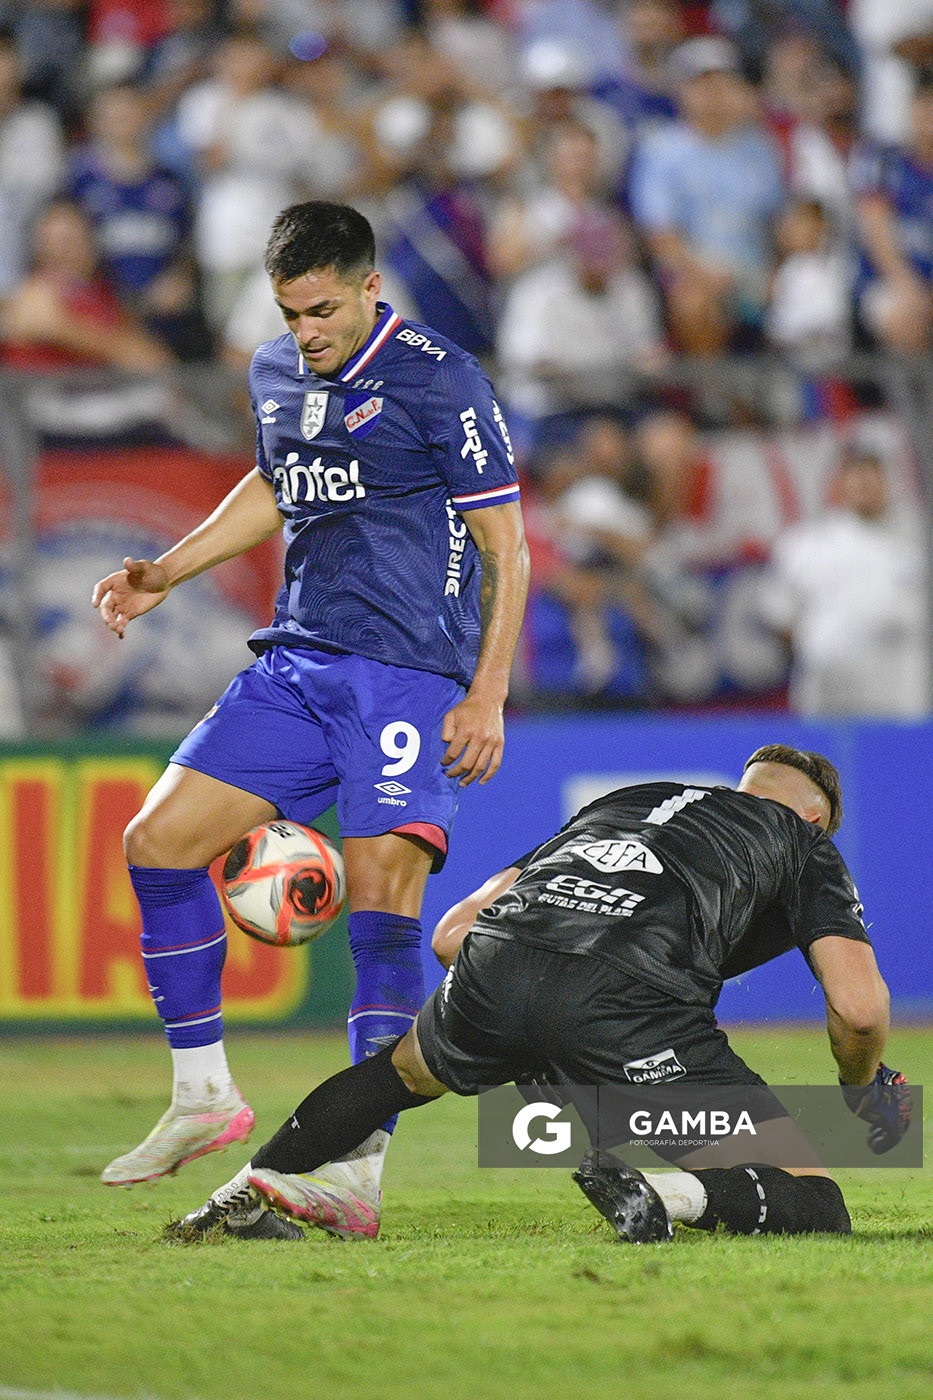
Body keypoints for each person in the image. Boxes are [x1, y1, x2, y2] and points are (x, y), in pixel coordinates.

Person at [91, 200, 529, 1240]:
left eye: (322, 310)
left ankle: (353, 1168)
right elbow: (276, 482)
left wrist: (488, 691)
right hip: (295, 660)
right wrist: (167, 570)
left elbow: (509, 548)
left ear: (370, 284)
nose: (306, 332)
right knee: (156, 841)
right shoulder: (276, 370)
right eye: (291, 314)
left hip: (407, 674)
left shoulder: (442, 378)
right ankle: (203, 1092)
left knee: (383, 897)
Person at [180, 744, 910, 1243]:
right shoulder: (802, 843)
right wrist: (857, 1093)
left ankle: (234, 1199)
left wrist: (533, 1019)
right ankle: (662, 1196)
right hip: (632, 1006)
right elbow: (858, 1007)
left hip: (499, 960)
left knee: (400, 1073)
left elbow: (451, 933)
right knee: (815, 1202)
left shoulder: (629, 801)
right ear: (816, 818)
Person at [758, 447, 929, 716]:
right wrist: (825, 644)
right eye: (854, 476)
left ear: (888, 482)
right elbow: (779, 614)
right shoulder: (808, 544)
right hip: (831, 684)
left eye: (871, 476)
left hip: (902, 681)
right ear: (838, 484)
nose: (863, 485)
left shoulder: (919, 538)